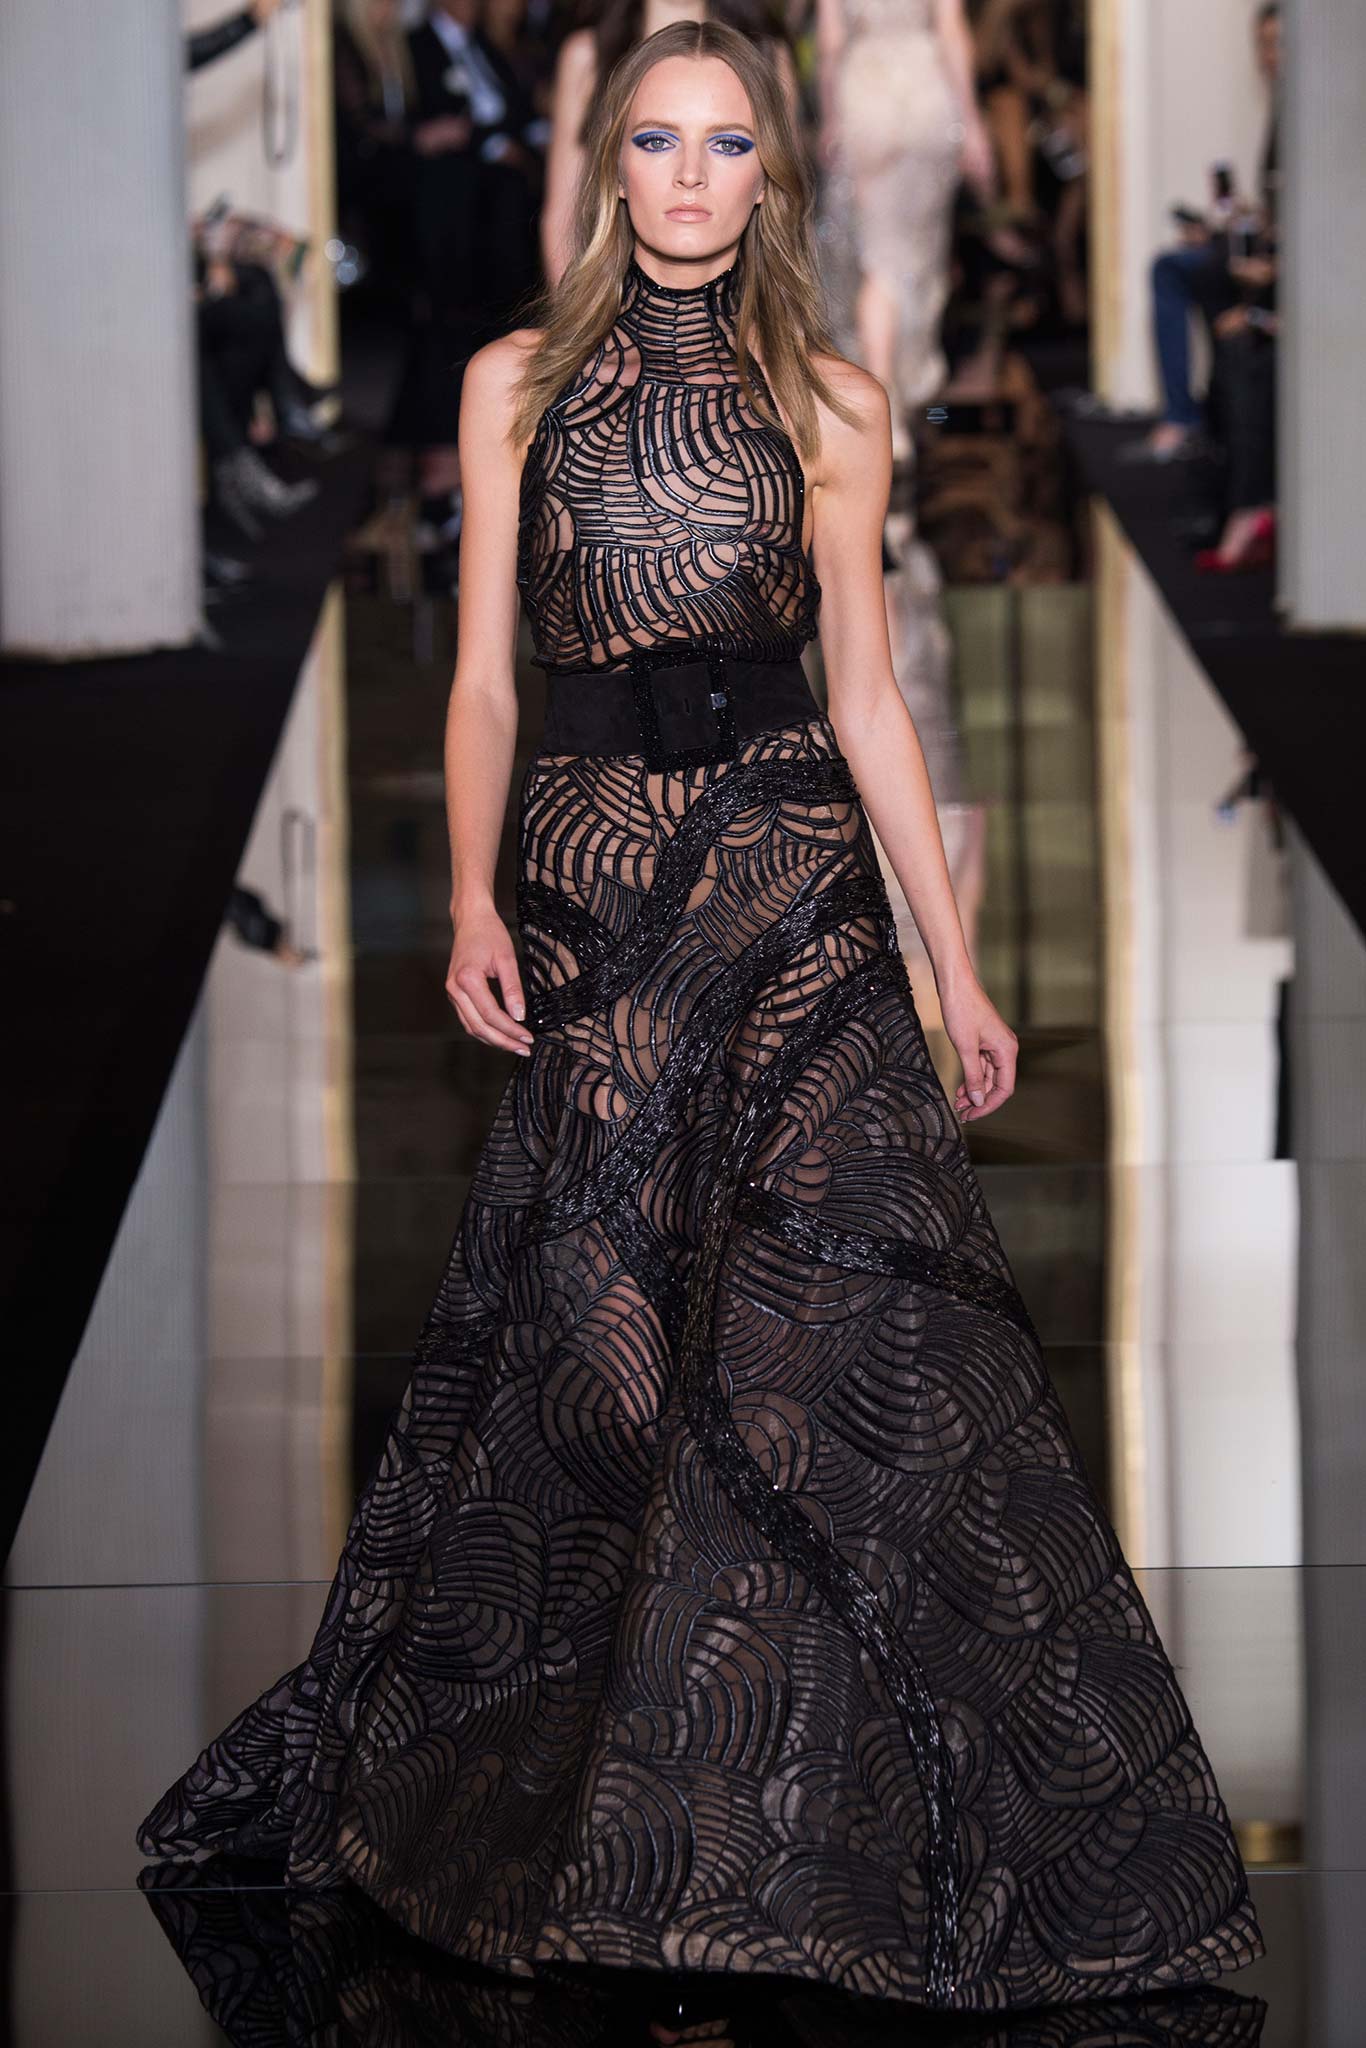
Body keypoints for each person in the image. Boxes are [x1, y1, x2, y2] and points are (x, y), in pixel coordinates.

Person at [137, 18, 1265, 2014]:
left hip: (792, 878)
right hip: (594, 881)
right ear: (608, 167)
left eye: (721, 142)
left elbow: (868, 691)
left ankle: (791, 1835)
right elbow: (484, 676)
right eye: (653, 140)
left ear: (770, 171)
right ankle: (608, 1788)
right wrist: (470, 890)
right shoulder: (514, 383)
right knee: (599, 1354)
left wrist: (951, 959)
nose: (683, 176)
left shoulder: (831, 397)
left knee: (821, 1350)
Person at [539, 0, 800, 290]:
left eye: (727, 144)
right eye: (656, 141)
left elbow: (784, 197)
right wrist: (579, 310)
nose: (690, 173)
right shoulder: (590, 54)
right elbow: (563, 212)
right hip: (609, 285)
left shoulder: (766, 52)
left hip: (743, 290)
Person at [1127, 1, 1281, 464]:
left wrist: (1271, 271)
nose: (1269, 56)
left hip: (1284, 274)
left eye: (1278, 44)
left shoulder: (1308, 123)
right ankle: (1187, 419)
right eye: (1262, 46)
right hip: (1265, 254)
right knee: (1173, 265)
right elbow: (1282, 217)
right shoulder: (1282, 116)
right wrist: (1226, 227)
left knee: (1177, 274)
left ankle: (1197, 425)